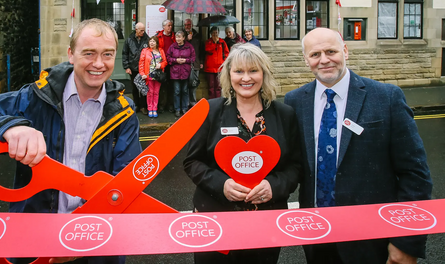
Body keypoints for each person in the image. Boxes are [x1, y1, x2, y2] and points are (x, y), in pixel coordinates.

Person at [0, 18, 143, 264]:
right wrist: (8, 127)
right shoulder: (33, 98)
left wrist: (78, 240)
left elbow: (124, 187)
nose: (99, 63)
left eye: (107, 54)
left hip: (99, 242)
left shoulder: (124, 112)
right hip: (34, 239)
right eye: (89, 53)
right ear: (71, 54)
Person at [284, 28, 432, 264]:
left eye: (331, 51)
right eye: (315, 54)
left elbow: (415, 175)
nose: (324, 60)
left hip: (373, 237)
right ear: (306, 60)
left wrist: (406, 241)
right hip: (318, 235)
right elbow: (294, 164)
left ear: (345, 51)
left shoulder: (387, 97)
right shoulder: (295, 101)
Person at [184, 43, 302, 264]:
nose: (246, 78)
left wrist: (273, 186)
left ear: (264, 74)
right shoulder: (209, 111)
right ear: (229, 75)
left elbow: (295, 166)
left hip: (266, 224)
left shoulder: (285, 114)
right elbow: (192, 162)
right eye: (239, 71)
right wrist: (222, 185)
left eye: (253, 70)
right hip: (215, 220)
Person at [167, 31, 196, 117]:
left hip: (186, 72)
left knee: (185, 91)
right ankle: (177, 109)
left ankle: (184, 108)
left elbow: (193, 58)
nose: (178, 39)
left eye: (180, 37)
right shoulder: (172, 47)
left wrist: (185, 60)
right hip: (175, 72)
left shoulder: (189, 46)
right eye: (177, 37)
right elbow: (168, 57)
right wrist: (175, 60)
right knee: (177, 91)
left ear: (184, 38)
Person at [122, 22, 149, 115]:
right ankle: (136, 105)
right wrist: (126, 67)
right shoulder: (129, 39)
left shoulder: (147, 39)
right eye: (141, 30)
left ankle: (143, 106)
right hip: (133, 67)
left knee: (143, 88)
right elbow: (125, 53)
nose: (143, 32)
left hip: (144, 68)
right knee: (134, 88)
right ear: (136, 30)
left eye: (144, 30)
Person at [139, 36, 167, 118]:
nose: (151, 43)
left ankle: (155, 109)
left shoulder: (161, 50)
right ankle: (150, 109)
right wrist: (142, 73)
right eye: (150, 41)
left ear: (157, 43)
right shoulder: (145, 51)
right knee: (150, 93)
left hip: (158, 75)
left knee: (156, 92)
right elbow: (141, 63)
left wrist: (161, 65)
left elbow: (165, 61)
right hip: (149, 75)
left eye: (153, 41)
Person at [182, 18, 204, 108]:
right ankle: (185, 104)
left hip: (196, 63)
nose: (187, 27)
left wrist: (201, 62)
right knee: (185, 85)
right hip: (185, 64)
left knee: (194, 84)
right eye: (186, 25)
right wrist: (187, 40)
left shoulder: (197, 35)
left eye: (189, 25)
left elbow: (201, 50)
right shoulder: (181, 35)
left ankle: (193, 102)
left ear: (192, 25)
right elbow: (180, 47)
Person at [204, 26, 229, 99]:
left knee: (218, 86)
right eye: (213, 33)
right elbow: (208, 49)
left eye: (216, 33)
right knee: (211, 86)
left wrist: (223, 62)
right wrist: (215, 43)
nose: (215, 35)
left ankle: (218, 100)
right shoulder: (208, 42)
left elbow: (227, 53)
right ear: (211, 34)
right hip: (210, 68)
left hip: (220, 68)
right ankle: (212, 101)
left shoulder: (222, 42)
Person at [157, 19, 176, 113]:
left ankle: (170, 105)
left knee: (171, 86)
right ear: (164, 27)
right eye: (168, 25)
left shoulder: (174, 36)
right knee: (162, 86)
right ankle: (161, 105)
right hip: (162, 64)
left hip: (172, 64)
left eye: (171, 25)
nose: (170, 27)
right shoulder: (159, 36)